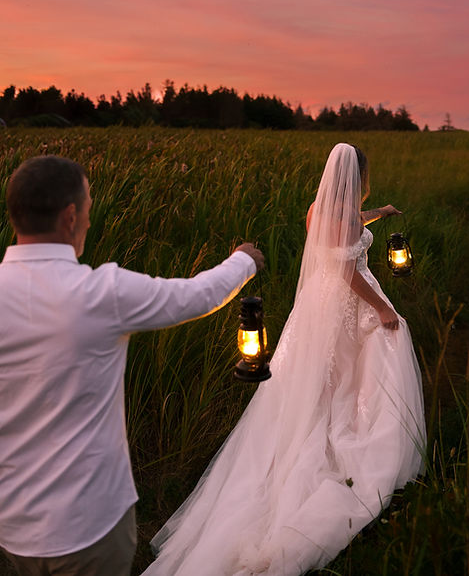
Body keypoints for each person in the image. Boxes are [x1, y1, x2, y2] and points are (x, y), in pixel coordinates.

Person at [144, 143, 425, 576]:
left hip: (316, 303)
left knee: (313, 376)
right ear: (358, 178)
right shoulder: (347, 218)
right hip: (348, 301)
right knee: (365, 359)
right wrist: (383, 308)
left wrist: (380, 213)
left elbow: (345, 228)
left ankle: (315, 427)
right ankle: (356, 437)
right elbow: (348, 270)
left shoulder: (318, 210)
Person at [0, 154, 264, 576]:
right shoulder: (101, 293)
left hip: (13, 528)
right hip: (90, 527)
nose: (89, 220)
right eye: (87, 208)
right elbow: (197, 296)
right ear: (70, 217)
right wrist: (244, 260)